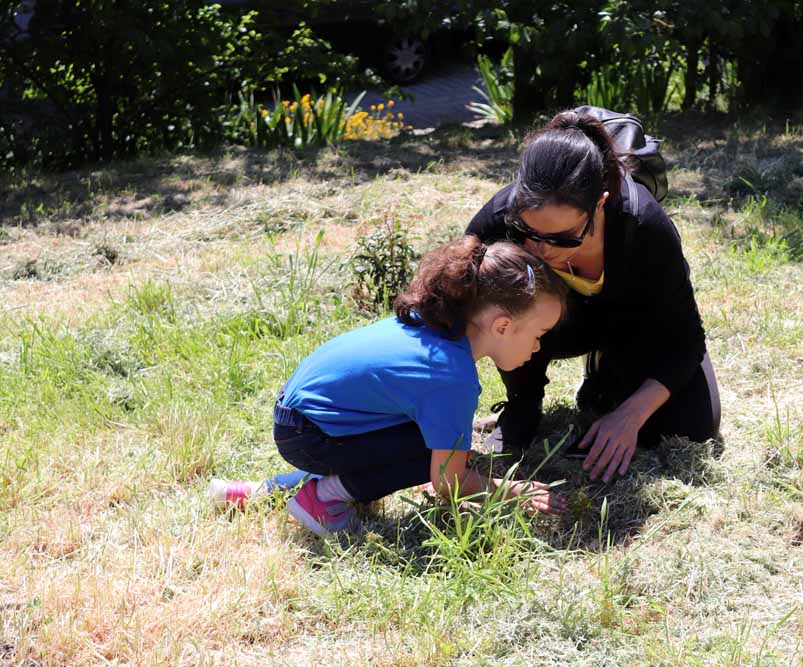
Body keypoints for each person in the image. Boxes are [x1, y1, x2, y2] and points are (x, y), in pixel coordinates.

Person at [213, 237, 569, 536]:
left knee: (437, 445)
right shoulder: (453, 377)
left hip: (298, 416)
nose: (538, 348)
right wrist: (512, 491)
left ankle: (262, 492)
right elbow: (447, 482)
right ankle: (322, 498)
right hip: (310, 433)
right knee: (429, 453)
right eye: (538, 335)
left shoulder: (434, 322)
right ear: (503, 326)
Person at [466, 109, 721, 484]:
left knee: (694, 427)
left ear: (600, 204)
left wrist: (631, 415)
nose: (539, 249)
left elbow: (686, 341)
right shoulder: (497, 222)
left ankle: (607, 375)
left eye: (562, 238)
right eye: (527, 231)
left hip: (632, 326)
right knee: (502, 309)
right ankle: (524, 404)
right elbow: (455, 314)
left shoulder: (645, 228)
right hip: (551, 331)